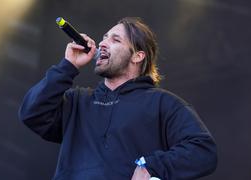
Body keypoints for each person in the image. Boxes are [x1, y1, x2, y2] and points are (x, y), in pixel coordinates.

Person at [18, 17, 217, 180]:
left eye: (115, 40)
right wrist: (68, 66)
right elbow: (32, 113)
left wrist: (151, 167)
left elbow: (203, 150)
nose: (103, 43)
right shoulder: (77, 101)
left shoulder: (163, 104)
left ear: (137, 56)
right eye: (104, 38)